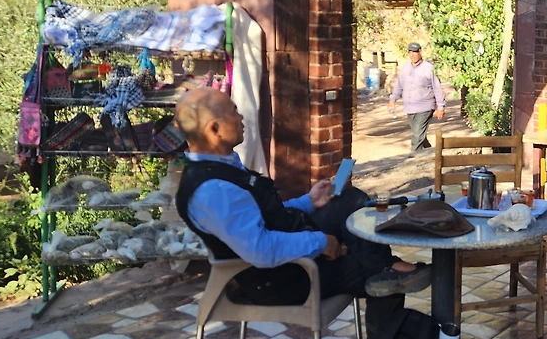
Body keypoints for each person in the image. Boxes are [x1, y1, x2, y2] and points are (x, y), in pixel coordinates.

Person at [175, 88, 431, 312]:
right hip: (281, 279)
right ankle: (387, 282)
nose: (241, 118)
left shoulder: (222, 167)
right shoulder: (213, 190)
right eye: (234, 112)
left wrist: (308, 201)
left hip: (288, 247)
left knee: (350, 200)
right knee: (378, 278)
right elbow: (262, 250)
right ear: (215, 129)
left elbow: (262, 216)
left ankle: (386, 266)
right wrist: (320, 242)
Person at [388, 43, 446, 153]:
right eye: (410, 52)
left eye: (415, 52)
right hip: (410, 108)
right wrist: (392, 100)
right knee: (419, 135)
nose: (412, 55)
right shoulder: (405, 68)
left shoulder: (429, 68)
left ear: (420, 52)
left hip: (425, 107)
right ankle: (431, 153)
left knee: (417, 137)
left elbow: (437, 88)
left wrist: (441, 107)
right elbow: (399, 86)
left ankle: (413, 158)